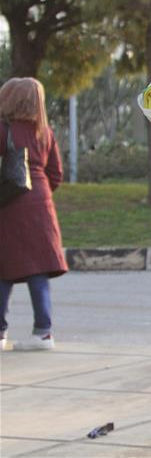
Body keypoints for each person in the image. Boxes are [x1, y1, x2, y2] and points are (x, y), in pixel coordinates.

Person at [0, 77, 67, 351]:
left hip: (9, 205)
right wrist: (40, 193)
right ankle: (44, 333)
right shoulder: (45, 131)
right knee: (38, 270)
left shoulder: (3, 129)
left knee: (3, 269)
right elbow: (56, 174)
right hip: (42, 205)